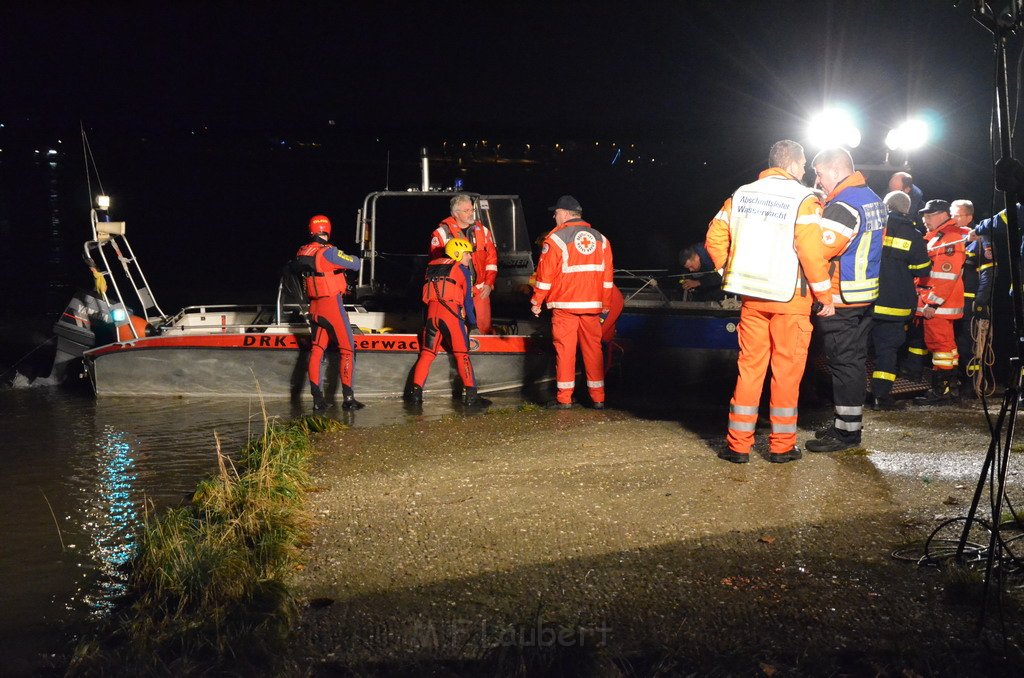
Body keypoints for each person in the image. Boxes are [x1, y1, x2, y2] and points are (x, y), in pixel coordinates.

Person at [705, 139, 834, 464]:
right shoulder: (804, 198)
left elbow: (714, 236)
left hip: (752, 297)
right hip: (790, 298)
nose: (804, 172)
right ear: (793, 164)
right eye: (803, 167)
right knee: (787, 373)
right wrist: (824, 294)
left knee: (749, 370)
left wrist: (727, 271)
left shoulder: (741, 194)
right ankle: (781, 446)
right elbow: (810, 251)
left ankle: (737, 446)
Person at [806, 148, 886, 453]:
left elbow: (820, 250)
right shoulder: (872, 198)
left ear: (836, 170)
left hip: (843, 297)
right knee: (852, 361)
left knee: (844, 364)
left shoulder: (844, 205)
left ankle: (848, 434)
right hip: (865, 295)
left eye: (820, 173)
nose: (818, 180)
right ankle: (845, 425)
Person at [531, 195, 614, 409]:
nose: (554, 215)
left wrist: (536, 301)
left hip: (565, 305)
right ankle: (598, 397)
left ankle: (565, 399)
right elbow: (607, 279)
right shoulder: (602, 239)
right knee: (593, 351)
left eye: (556, 212)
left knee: (565, 351)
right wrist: (604, 305)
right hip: (593, 305)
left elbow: (545, 275)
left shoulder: (556, 239)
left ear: (566, 214)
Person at [405, 238, 489, 407]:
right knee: (461, 354)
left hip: (431, 316)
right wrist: (472, 324)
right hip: (450, 315)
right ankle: (472, 396)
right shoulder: (462, 270)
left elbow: (425, 298)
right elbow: (468, 300)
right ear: (457, 254)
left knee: (427, 355)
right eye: (467, 254)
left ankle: (415, 396)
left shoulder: (431, 267)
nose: (470, 258)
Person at [868, 191, 931, 410]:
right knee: (887, 352)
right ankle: (880, 397)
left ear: (885, 206)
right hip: (895, 303)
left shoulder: (872, 227)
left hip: (865, 299)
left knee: (856, 351)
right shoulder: (913, 234)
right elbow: (922, 269)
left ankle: (851, 396)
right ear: (907, 209)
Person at [295, 214, 363, 411]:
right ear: (328, 230)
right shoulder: (329, 252)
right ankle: (349, 399)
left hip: (314, 308)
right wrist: (355, 256)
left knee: (316, 350)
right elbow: (355, 264)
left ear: (311, 230)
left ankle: (317, 400)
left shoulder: (302, 251)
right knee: (348, 350)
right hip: (332, 306)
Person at [910, 200, 966, 406]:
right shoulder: (941, 237)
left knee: (939, 346)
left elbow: (945, 276)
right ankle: (950, 388)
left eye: (930, 215)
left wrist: (932, 304)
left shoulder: (948, 238)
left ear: (944, 215)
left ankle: (941, 390)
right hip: (940, 302)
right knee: (947, 346)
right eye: (924, 215)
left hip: (938, 304)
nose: (925, 219)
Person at [429, 194, 499, 334]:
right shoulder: (441, 234)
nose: (471, 213)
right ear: (456, 213)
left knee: (483, 325)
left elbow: (491, 260)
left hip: (480, 288)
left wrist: (489, 283)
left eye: (471, 210)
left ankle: (483, 353)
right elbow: (436, 264)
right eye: (466, 210)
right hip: (455, 289)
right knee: (456, 327)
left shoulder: (483, 231)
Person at [950, 199, 995, 398]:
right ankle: (954, 380)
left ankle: (971, 384)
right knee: (952, 344)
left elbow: (989, 271)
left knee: (969, 344)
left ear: (969, 217)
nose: (954, 219)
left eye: (958, 215)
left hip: (969, 301)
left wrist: (981, 299)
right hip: (951, 301)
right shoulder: (952, 238)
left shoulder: (980, 238)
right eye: (952, 215)